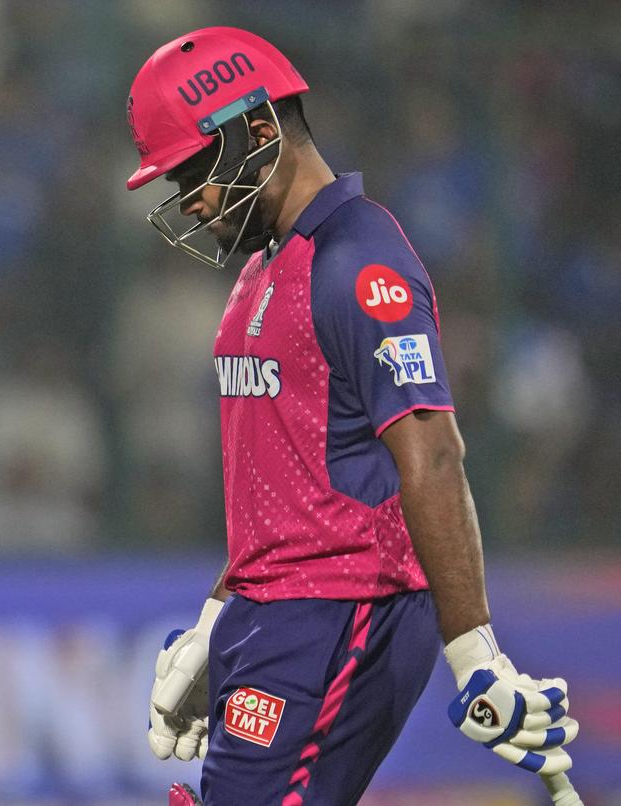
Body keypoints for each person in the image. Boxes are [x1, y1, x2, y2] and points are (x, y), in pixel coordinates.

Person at [124, 26, 579, 805]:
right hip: (277, 619)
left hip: (341, 615)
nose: (191, 200)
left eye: (196, 170)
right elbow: (281, 484)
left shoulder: (360, 261)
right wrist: (216, 619)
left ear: (261, 128)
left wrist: (475, 656)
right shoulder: (266, 270)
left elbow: (433, 453)